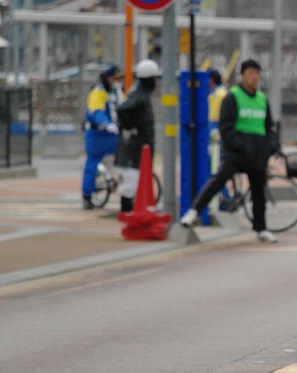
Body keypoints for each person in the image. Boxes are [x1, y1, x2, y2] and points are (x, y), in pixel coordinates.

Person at [181, 59, 280, 243]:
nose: (255, 77)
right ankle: (193, 212)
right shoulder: (232, 96)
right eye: (251, 73)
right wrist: (242, 146)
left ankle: (261, 229)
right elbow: (226, 127)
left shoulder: (262, 99)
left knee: (259, 193)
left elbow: (269, 127)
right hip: (237, 154)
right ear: (242, 76)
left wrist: (271, 146)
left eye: (257, 73)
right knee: (217, 181)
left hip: (258, 155)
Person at [115, 59, 161, 213]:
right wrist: (129, 127)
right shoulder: (139, 95)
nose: (156, 82)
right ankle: (126, 213)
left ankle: (129, 212)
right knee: (131, 185)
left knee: (135, 185)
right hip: (134, 152)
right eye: (154, 78)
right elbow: (123, 109)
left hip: (138, 151)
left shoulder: (141, 94)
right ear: (148, 79)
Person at [82, 65, 124, 210]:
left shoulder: (117, 92)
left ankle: (117, 182)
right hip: (97, 135)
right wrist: (106, 124)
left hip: (113, 134)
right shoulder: (98, 93)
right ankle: (87, 196)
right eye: (116, 78)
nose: (119, 81)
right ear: (108, 79)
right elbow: (96, 111)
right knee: (92, 164)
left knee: (124, 158)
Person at [206, 68, 233, 210]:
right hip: (215, 135)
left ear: (211, 80)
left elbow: (216, 119)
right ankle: (225, 199)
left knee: (215, 169)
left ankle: (226, 200)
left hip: (217, 137)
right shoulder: (215, 93)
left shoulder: (220, 94)